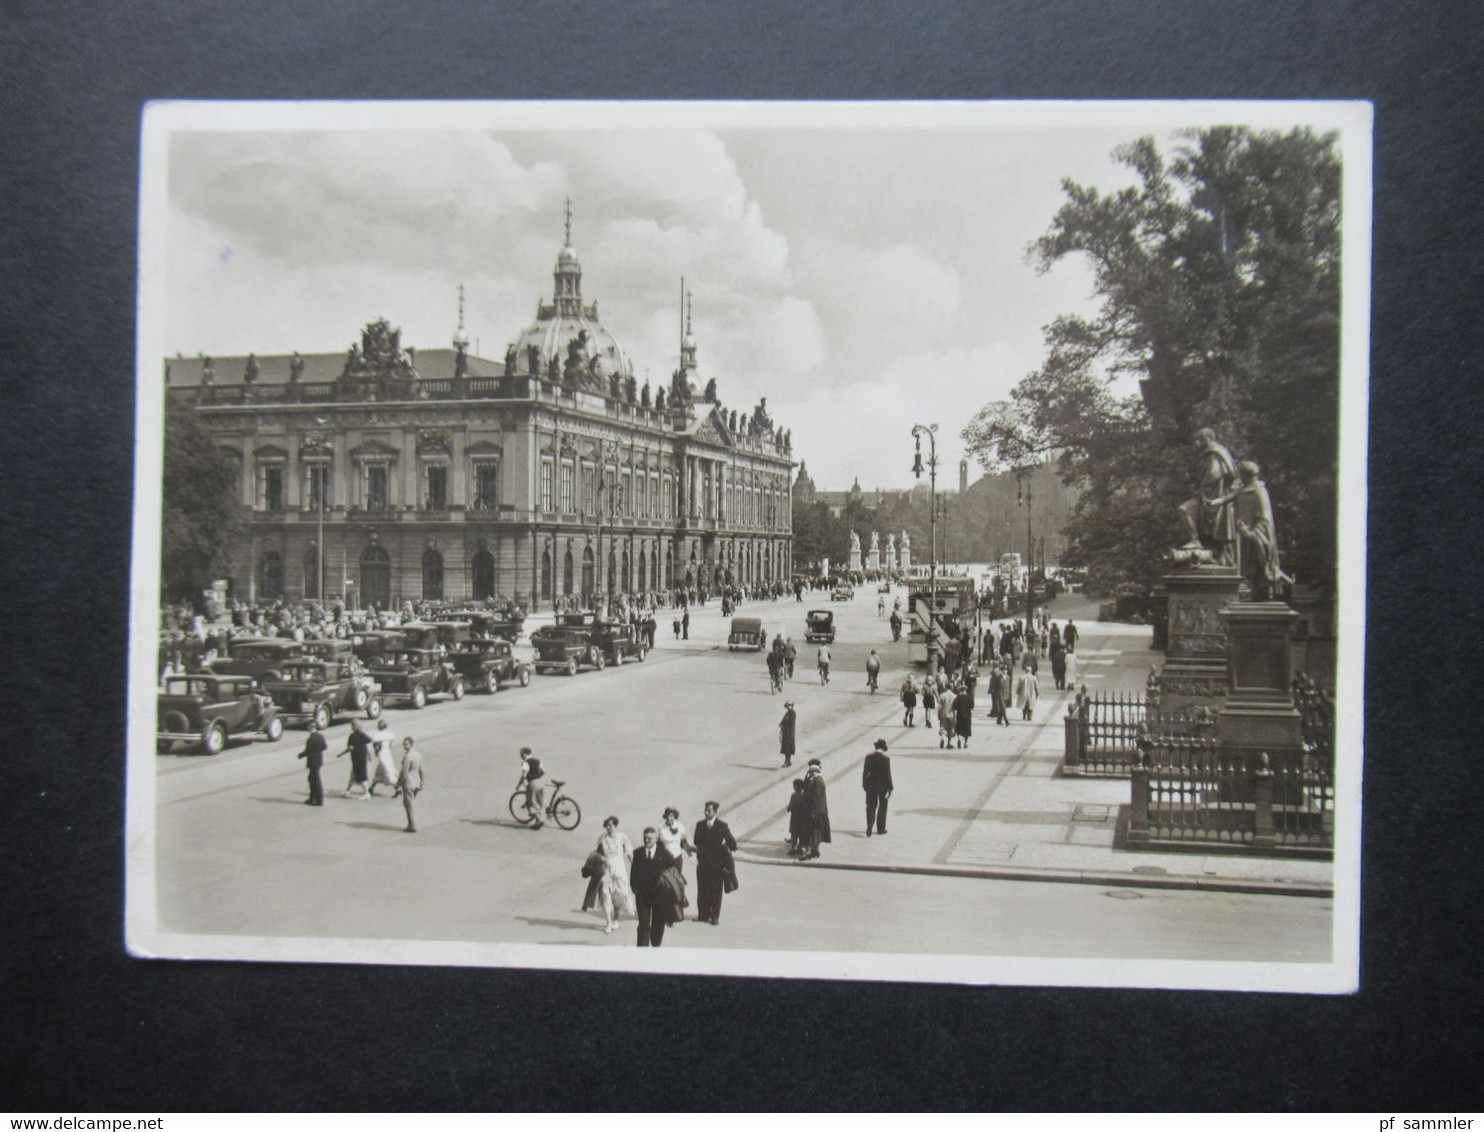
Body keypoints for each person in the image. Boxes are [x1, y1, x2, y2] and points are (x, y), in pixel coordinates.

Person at [692, 801, 738, 925]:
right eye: (705, 810)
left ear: (715, 812)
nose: (706, 813)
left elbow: (733, 844)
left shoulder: (722, 826)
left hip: (717, 864)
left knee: (716, 891)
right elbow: (696, 841)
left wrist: (723, 848)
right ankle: (703, 915)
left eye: (709, 811)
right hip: (703, 863)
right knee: (702, 890)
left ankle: (714, 916)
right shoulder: (700, 825)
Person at [630, 827, 673, 947]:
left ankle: (656, 946)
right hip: (643, 896)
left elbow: (673, 870)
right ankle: (642, 950)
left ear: (656, 839)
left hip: (660, 896)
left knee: (658, 923)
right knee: (643, 924)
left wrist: (669, 888)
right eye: (645, 838)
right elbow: (633, 872)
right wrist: (634, 887)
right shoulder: (637, 853)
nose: (647, 841)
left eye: (649, 838)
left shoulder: (664, 854)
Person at [594, 816, 636, 934]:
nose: (608, 827)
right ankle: (608, 923)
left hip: (619, 871)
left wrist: (636, 867)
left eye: (610, 825)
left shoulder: (622, 837)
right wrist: (601, 859)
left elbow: (629, 853)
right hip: (606, 871)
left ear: (615, 825)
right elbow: (596, 854)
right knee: (605, 895)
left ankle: (616, 919)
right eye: (606, 825)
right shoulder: (602, 838)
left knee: (619, 896)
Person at [862, 739, 893, 837]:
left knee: (871, 806)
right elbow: (887, 775)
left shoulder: (868, 758)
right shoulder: (885, 760)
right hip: (882, 786)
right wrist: (890, 787)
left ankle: (869, 826)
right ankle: (881, 828)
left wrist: (865, 784)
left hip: (870, 786)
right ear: (883, 749)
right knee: (883, 807)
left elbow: (865, 772)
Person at [800, 760, 831, 860]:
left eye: (811, 772)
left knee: (812, 833)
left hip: (816, 812)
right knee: (816, 833)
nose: (809, 773)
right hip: (817, 811)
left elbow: (817, 798)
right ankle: (815, 851)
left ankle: (809, 852)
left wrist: (813, 812)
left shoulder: (817, 781)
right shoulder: (813, 779)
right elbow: (805, 786)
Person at [396, 736, 425, 833]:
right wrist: (422, 782)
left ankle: (412, 825)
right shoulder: (418, 754)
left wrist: (398, 784)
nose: (404, 746)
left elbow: (404, 772)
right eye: (404, 744)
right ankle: (411, 824)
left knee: (409, 805)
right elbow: (421, 770)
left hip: (408, 782)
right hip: (416, 782)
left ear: (411, 744)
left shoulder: (408, 756)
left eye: (406, 744)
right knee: (410, 803)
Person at [339, 719, 373, 798]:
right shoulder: (362, 735)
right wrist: (368, 755)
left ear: (354, 726)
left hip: (356, 758)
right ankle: (348, 790)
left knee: (361, 775)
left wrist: (340, 754)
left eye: (352, 725)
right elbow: (368, 742)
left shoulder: (352, 736)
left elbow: (349, 747)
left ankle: (367, 793)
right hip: (362, 758)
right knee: (354, 774)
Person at [298, 719, 327, 806]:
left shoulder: (311, 739)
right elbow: (325, 747)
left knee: (314, 781)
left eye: (308, 727)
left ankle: (318, 800)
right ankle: (312, 798)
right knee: (312, 779)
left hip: (313, 762)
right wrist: (317, 751)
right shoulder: (320, 736)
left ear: (311, 728)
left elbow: (308, 751)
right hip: (319, 761)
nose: (307, 729)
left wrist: (300, 755)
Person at [518, 747, 548, 828]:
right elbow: (543, 771)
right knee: (538, 801)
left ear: (525, 754)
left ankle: (539, 820)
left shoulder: (526, 762)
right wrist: (537, 776)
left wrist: (518, 785)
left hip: (533, 783)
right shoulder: (538, 760)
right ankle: (537, 822)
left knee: (531, 802)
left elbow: (523, 776)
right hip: (540, 783)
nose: (520, 756)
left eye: (521, 754)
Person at [369, 719, 397, 796]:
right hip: (387, 753)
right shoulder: (390, 734)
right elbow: (390, 745)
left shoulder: (378, 735)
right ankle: (371, 788)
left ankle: (397, 788)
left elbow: (376, 745)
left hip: (382, 754)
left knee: (387, 770)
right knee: (381, 770)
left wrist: (376, 751)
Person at [786, 777, 808, 856]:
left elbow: (790, 806)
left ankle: (793, 848)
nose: (794, 787)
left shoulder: (794, 795)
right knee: (801, 834)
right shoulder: (805, 795)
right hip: (803, 818)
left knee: (794, 834)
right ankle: (800, 848)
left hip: (795, 818)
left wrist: (788, 808)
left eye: (795, 786)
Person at [953, 682, 974, 749]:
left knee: (958, 728)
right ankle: (965, 743)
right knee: (967, 729)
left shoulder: (958, 697)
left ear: (960, 690)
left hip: (960, 715)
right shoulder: (969, 697)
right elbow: (972, 706)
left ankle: (959, 739)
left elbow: (954, 706)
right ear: (965, 690)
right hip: (967, 715)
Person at [938, 683, 956, 748]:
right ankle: (949, 743)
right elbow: (955, 708)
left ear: (945, 687)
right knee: (950, 729)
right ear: (951, 688)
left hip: (943, 714)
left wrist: (939, 714)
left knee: (942, 727)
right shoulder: (954, 696)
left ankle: (942, 738)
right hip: (951, 715)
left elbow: (940, 707)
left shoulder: (942, 695)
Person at [779, 700, 797, 768]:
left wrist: (783, 725)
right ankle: (788, 761)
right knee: (787, 749)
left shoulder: (792, 713)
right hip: (787, 733)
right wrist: (781, 723)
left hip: (789, 733)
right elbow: (784, 720)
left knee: (788, 749)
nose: (787, 706)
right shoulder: (789, 712)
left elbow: (790, 723)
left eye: (788, 705)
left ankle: (787, 762)